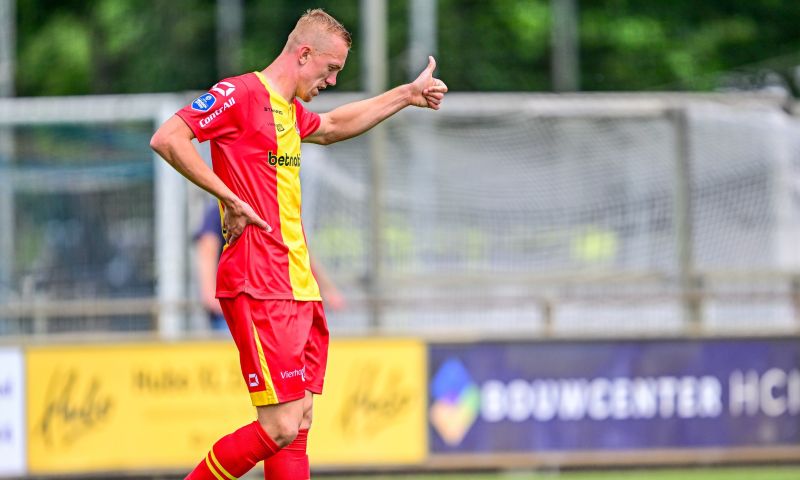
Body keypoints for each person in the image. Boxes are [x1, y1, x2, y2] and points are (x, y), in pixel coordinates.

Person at [150, 8, 447, 480]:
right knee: (281, 424)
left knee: (300, 422)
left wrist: (405, 95)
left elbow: (330, 127)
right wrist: (226, 195)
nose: (331, 80)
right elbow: (169, 137)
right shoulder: (240, 93)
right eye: (330, 69)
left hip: (297, 286)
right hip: (257, 280)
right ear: (303, 53)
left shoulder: (288, 111)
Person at [194, 200, 346, 333]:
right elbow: (207, 249)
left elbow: (300, 252)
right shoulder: (218, 213)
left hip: (271, 308)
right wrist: (211, 296)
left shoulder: (271, 207)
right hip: (235, 310)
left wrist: (326, 289)